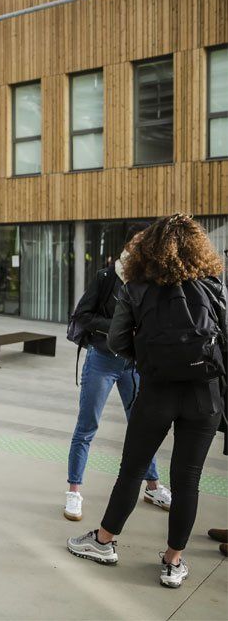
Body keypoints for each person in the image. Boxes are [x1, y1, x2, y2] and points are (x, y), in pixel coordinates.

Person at [68, 214, 227, 589]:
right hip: (204, 395)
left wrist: (148, 354)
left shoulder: (137, 287)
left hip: (156, 390)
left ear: (150, 248)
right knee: (188, 479)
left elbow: (117, 342)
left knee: (132, 469)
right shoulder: (214, 286)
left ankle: (104, 542)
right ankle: (173, 562)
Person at [64, 223, 169, 522]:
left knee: (142, 426)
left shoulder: (149, 280)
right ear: (127, 245)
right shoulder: (107, 276)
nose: (141, 248)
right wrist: (119, 327)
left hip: (132, 364)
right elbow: (82, 316)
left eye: (145, 243)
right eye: (137, 242)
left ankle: (152, 485)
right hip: (102, 360)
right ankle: (74, 490)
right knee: (87, 426)